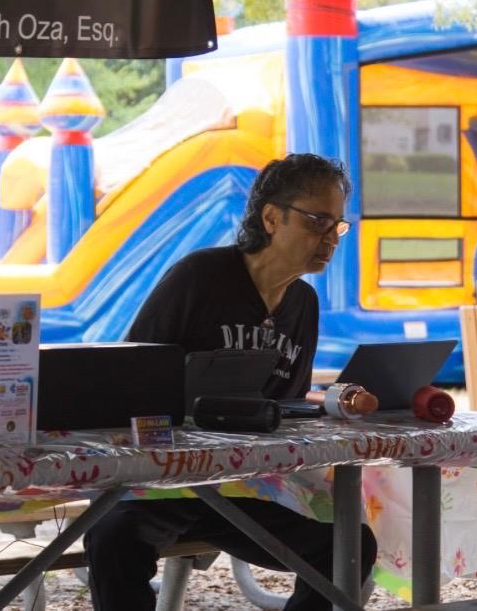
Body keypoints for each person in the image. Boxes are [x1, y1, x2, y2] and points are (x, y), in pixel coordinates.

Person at [83, 153, 378, 611]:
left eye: (336, 225)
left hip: (248, 485)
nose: (329, 238)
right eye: (317, 221)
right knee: (113, 537)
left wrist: (334, 404)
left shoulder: (303, 302)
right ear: (272, 217)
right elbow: (131, 378)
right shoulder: (198, 278)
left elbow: (287, 404)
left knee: (348, 543)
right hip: (166, 481)